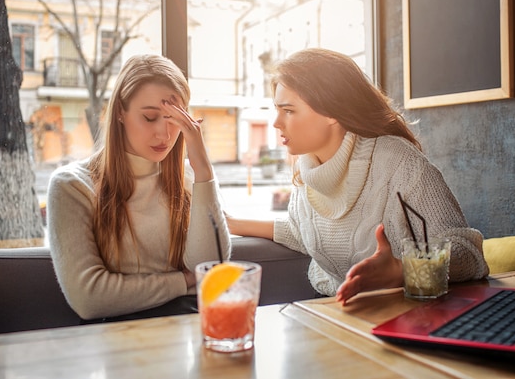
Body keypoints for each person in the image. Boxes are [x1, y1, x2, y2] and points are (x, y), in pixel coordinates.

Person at [227, 48, 489, 305]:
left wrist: (402, 270)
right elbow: (305, 232)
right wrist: (232, 224)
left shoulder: (397, 162)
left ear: (330, 112)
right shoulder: (306, 168)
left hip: (403, 311)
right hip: (330, 310)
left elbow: (469, 253)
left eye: (288, 110)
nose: (275, 122)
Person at [47, 54, 230, 322]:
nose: (164, 134)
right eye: (149, 117)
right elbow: (89, 298)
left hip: (189, 334)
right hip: (120, 342)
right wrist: (182, 283)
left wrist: (203, 169)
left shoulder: (192, 179)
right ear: (120, 112)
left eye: (173, 119)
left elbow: (209, 269)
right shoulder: (73, 186)